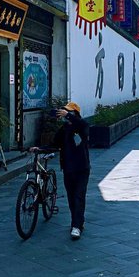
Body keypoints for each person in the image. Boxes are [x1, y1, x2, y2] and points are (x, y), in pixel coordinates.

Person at [48, 101, 90, 240]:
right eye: (64, 111)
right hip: (68, 168)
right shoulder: (64, 129)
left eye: (69, 112)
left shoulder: (82, 127)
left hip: (82, 168)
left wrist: (69, 116)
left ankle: (76, 226)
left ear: (75, 114)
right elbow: (55, 143)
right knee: (71, 197)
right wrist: (40, 149)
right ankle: (78, 222)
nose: (65, 114)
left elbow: (83, 125)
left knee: (79, 196)